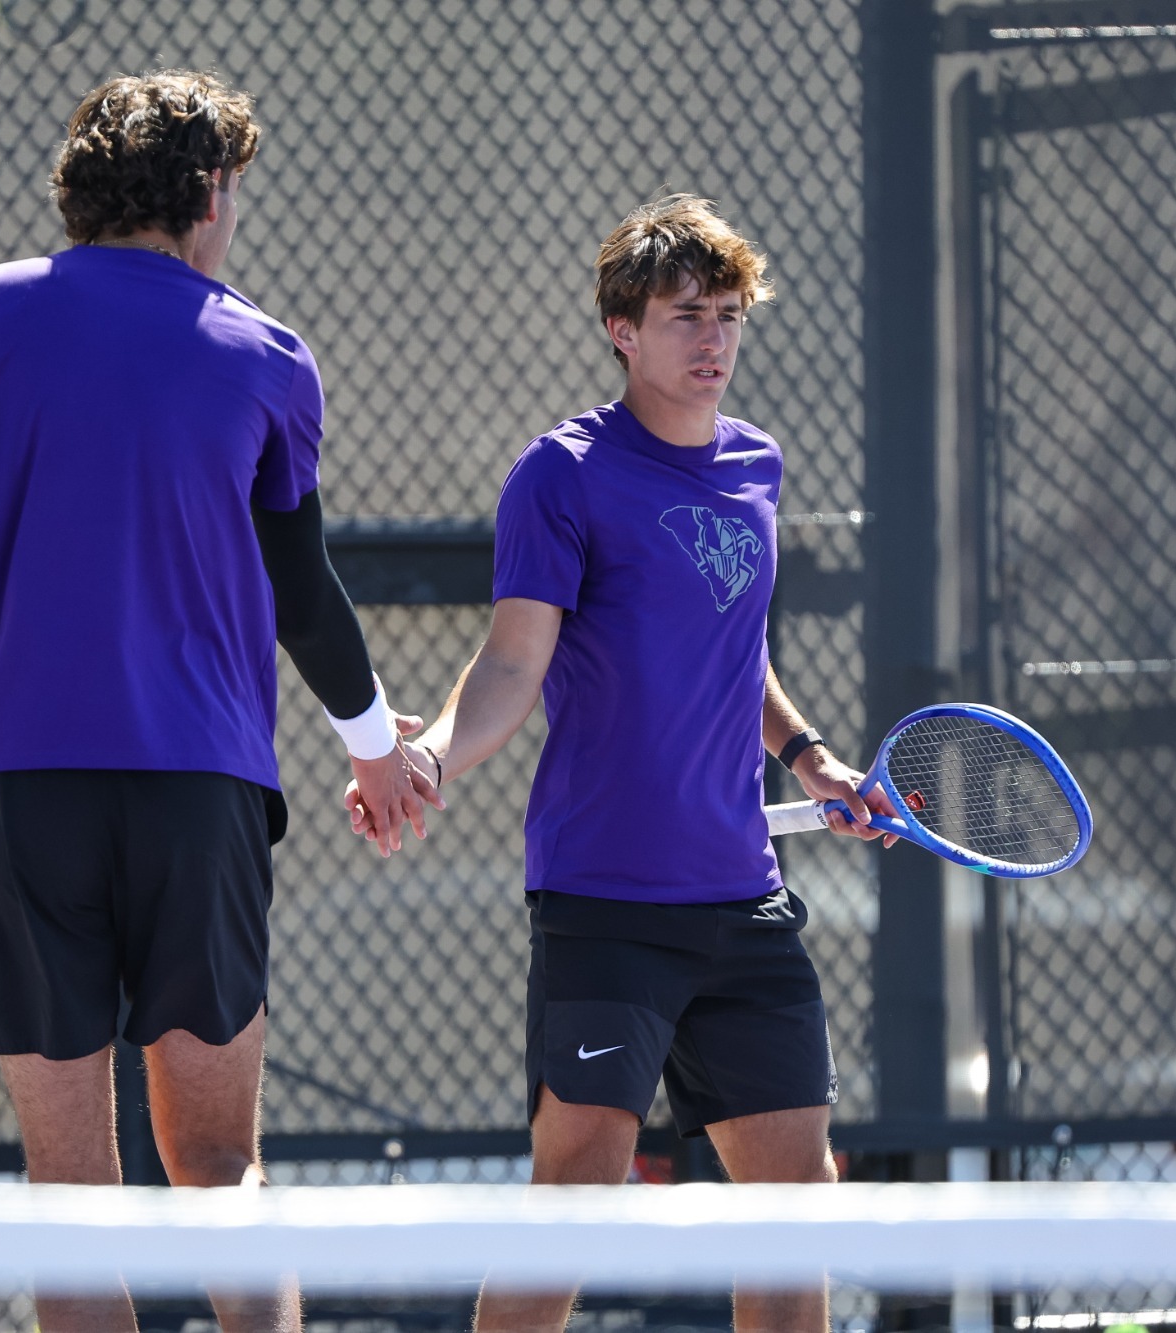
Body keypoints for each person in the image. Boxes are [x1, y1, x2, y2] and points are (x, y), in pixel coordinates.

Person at [0, 69, 438, 1333]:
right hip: (198, 796)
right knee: (218, 1173)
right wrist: (375, 752)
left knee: (71, 1197)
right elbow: (301, 589)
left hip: (23, 797)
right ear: (207, 192)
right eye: (233, 191)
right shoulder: (266, 354)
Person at [349, 194, 896, 1333]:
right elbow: (511, 660)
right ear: (620, 328)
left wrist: (807, 756)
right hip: (603, 901)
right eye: (684, 315)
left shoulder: (757, 466)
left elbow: (727, 647)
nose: (712, 341)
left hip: (742, 902)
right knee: (578, 1196)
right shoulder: (560, 475)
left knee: (798, 1200)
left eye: (728, 315)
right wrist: (435, 757)